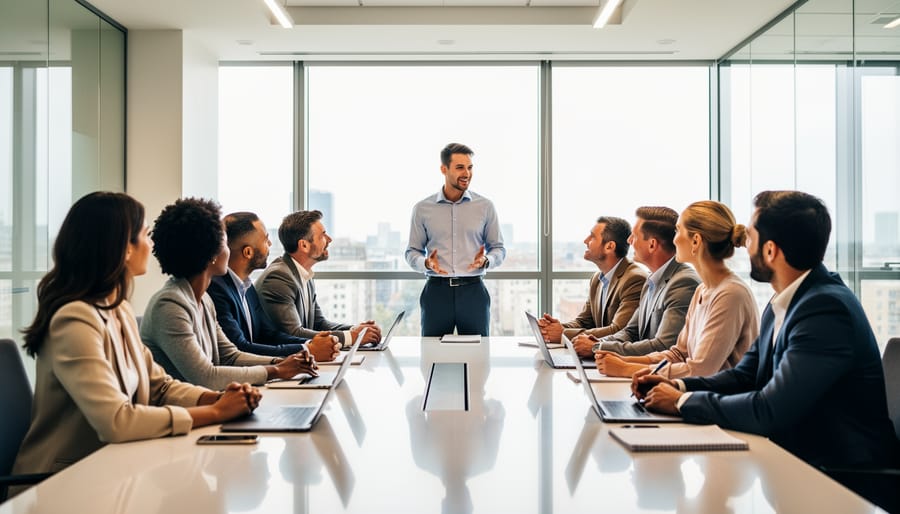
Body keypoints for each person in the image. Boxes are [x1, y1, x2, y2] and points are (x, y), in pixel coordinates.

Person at [633, 191, 899, 472]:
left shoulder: (825, 310)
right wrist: (680, 386)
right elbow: (745, 376)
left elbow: (770, 410)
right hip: (796, 463)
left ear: (770, 250)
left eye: (750, 238)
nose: (744, 246)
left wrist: (683, 402)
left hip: (844, 477)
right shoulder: (784, 302)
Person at [12, 192, 261, 486]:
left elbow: (159, 385)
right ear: (123, 249)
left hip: (114, 471)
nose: (151, 244)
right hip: (62, 483)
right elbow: (117, 421)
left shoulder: (118, 310)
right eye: (143, 235)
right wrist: (216, 411)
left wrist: (216, 397)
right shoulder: (74, 319)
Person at [141, 198, 319, 390]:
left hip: (210, 404)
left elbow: (230, 356)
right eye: (225, 243)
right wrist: (275, 370)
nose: (230, 251)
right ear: (210, 253)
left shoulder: (203, 300)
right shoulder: (170, 304)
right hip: (188, 413)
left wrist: (281, 362)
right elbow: (206, 376)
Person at [596, 201, 758, 379]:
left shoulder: (731, 294)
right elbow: (678, 354)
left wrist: (627, 369)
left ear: (695, 241)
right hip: (699, 394)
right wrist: (627, 361)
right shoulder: (702, 290)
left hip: (718, 401)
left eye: (678, 231)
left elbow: (702, 369)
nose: (674, 239)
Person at [207, 211, 340, 362]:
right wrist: (308, 350)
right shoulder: (217, 290)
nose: (270, 244)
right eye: (266, 240)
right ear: (248, 252)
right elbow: (240, 348)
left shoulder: (247, 287)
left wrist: (311, 344)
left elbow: (269, 335)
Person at [405, 143, 506, 337]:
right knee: (433, 356)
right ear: (444, 169)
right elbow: (412, 251)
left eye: (470, 167)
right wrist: (425, 262)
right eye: (460, 167)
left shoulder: (485, 207)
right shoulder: (422, 209)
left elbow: (498, 248)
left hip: (473, 292)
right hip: (436, 293)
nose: (466, 173)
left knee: (477, 356)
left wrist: (487, 260)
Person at [578, 206, 700, 357]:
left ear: (652, 245)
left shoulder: (683, 283)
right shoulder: (651, 280)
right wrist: (597, 343)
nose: (629, 241)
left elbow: (663, 346)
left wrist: (598, 347)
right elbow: (631, 332)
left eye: (634, 236)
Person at [255, 209, 381, 347]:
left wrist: (357, 330)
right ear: (304, 245)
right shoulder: (278, 278)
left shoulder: (303, 273)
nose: (329, 240)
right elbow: (293, 333)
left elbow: (319, 324)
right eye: (323, 236)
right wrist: (352, 337)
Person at [538, 216, 647, 353]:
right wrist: (553, 328)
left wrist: (562, 334)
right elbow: (584, 321)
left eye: (592, 237)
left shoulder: (634, 279)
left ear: (609, 246)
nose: (585, 241)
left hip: (617, 358)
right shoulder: (597, 279)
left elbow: (619, 330)